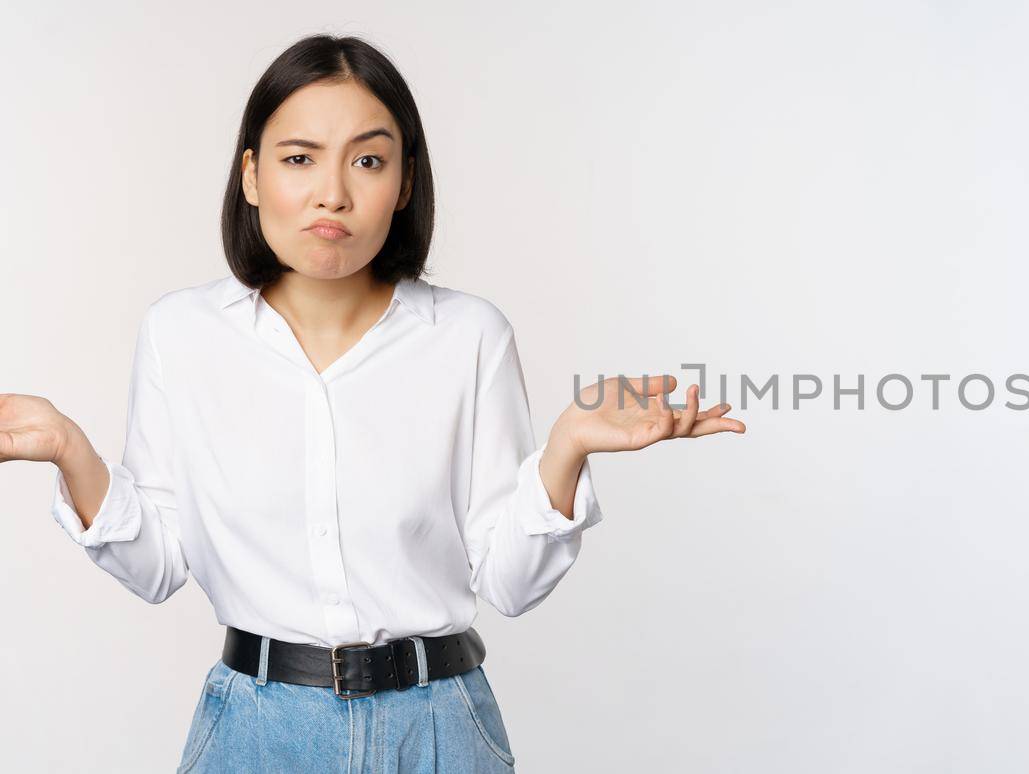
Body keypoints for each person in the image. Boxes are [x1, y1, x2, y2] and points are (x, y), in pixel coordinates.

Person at [0, 34, 744, 773]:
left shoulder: (468, 336)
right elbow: (155, 566)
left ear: (406, 182)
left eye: (367, 160)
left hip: (439, 727)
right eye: (299, 159)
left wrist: (566, 450)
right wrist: (72, 451)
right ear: (252, 175)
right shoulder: (180, 334)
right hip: (254, 732)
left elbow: (511, 587)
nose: (333, 192)